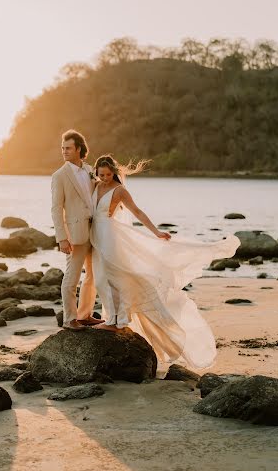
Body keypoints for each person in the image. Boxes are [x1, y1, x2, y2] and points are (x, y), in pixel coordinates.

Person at [89, 155, 240, 369]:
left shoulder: (119, 190)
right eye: (100, 174)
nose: (104, 178)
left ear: (114, 172)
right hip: (97, 236)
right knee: (102, 278)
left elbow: (137, 212)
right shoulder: (94, 185)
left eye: (107, 174)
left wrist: (156, 232)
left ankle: (117, 321)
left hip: (111, 237)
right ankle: (113, 318)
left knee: (114, 277)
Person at [51, 129, 103, 330]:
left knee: (92, 275)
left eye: (68, 148)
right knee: (71, 277)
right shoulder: (59, 176)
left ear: (79, 149)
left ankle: (85, 315)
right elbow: (56, 209)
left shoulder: (90, 169)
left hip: (95, 231)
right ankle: (69, 319)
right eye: (62, 148)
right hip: (75, 234)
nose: (64, 151)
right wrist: (62, 238)